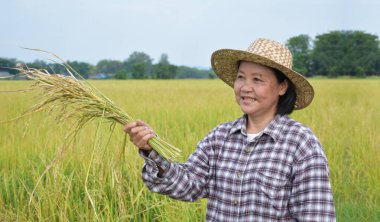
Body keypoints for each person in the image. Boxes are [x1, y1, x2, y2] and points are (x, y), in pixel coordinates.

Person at [124, 38, 336, 221]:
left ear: (282, 87)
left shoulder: (301, 144)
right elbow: (188, 186)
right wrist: (151, 151)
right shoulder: (219, 137)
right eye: (241, 77)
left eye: (257, 79)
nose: (245, 87)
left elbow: (317, 216)